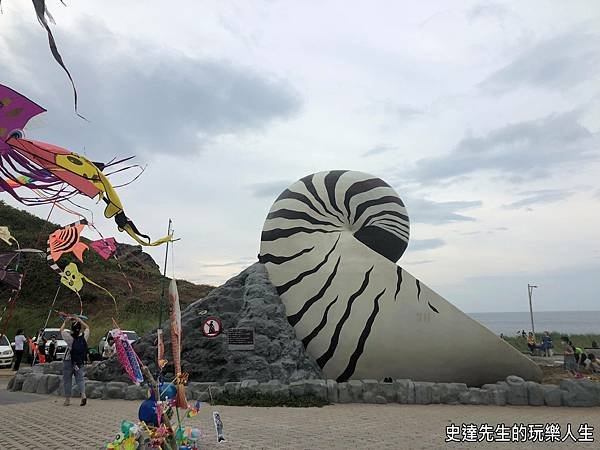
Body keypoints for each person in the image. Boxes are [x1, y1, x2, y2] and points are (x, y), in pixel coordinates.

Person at [60, 317, 90, 406]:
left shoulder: (69, 337)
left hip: (68, 360)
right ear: (80, 329)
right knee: (80, 379)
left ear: (71, 329)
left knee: (67, 380)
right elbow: (88, 328)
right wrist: (80, 321)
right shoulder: (84, 337)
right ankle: (83, 395)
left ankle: (67, 400)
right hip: (79, 361)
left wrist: (65, 322)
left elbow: (61, 330)